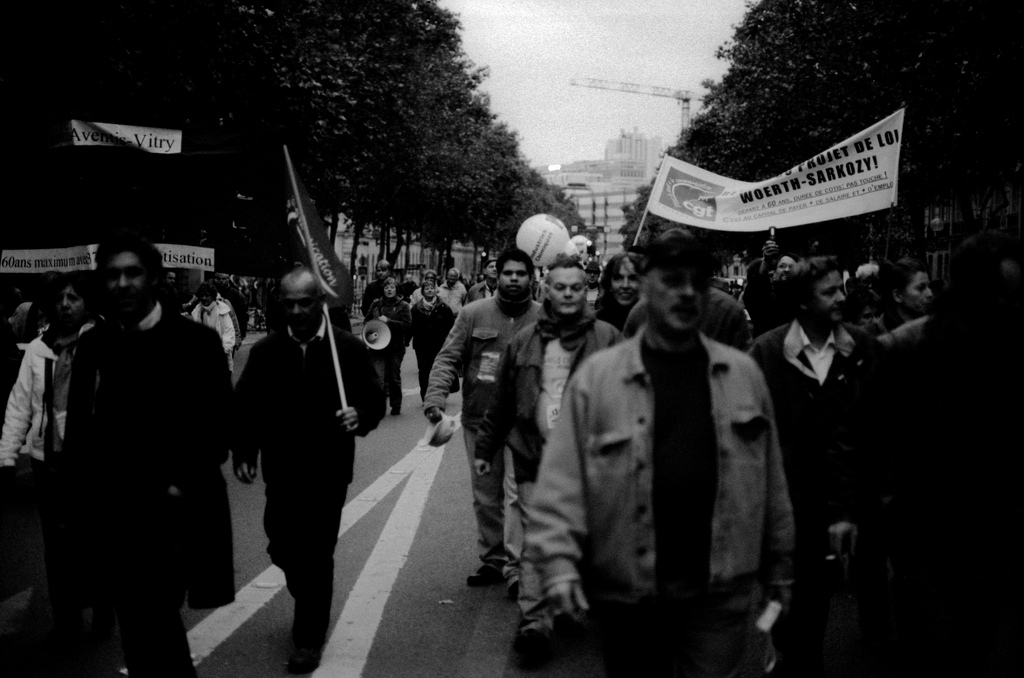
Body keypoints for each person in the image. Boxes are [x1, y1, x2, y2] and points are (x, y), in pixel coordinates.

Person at [526, 229, 794, 678]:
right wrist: (558, 567)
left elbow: (772, 484)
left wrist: (782, 566)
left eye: (697, 281)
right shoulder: (599, 379)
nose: (687, 292)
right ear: (646, 285)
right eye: (672, 280)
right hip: (629, 592)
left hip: (720, 592)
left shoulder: (744, 376)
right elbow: (561, 484)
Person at [829, 233, 1022, 677]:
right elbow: (860, 434)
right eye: (1002, 297)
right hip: (921, 527)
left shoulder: (1011, 348)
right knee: (934, 645)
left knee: (977, 642)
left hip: (990, 530)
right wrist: (852, 510)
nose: (1010, 310)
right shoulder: (903, 347)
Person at [61, 230, 235, 677]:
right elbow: (79, 434)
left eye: (133, 273)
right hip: (115, 516)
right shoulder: (95, 348)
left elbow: (217, 431)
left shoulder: (197, 344)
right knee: (140, 629)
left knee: (152, 613)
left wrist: (177, 485)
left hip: (174, 513)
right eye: (112, 275)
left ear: (155, 278)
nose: (122, 284)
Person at [233, 267, 384, 674]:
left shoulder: (347, 350)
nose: (296, 311)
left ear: (320, 302)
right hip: (281, 470)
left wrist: (362, 415)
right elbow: (244, 406)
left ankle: (308, 639)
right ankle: (306, 589)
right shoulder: (266, 352)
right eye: (289, 304)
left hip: (328, 470)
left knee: (318, 554)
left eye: (304, 303)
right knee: (281, 545)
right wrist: (244, 451)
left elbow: (375, 399)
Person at [473, 255, 620, 664]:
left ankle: (569, 600)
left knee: (583, 538)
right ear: (547, 289)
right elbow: (501, 400)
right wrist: (485, 450)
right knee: (538, 540)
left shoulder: (609, 338)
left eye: (576, 287)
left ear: (586, 290)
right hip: (535, 457)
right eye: (560, 286)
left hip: (592, 460)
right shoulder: (524, 340)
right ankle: (534, 622)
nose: (569, 293)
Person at [749, 256, 881, 678]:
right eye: (829, 292)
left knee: (819, 598)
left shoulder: (862, 348)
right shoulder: (767, 352)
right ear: (803, 303)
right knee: (794, 602)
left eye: (841, 288)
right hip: (790, 501)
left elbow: (877, 422)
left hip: (848, 498)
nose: (841, 298)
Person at [0, 272, 113, 642]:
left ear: (87, 303)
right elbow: (19, 406)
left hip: (93, 463)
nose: (66, 305)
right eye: (60, 298)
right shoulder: (37, 349)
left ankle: (102, 611)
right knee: (57, 548)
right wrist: (5, 458)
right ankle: (66, 621)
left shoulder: (105, 344)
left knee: (96, 541)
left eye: (74, 297)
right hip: (48, 462)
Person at [423, 249, 542, 597]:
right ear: (497, 276)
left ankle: (518, 566)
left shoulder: (544, 316)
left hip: (525, 424)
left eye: (521, 273)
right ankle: (493, 559)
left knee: (519, 494)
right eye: (508, 272)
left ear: (531, 277)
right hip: (480, 419)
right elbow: (448, 358)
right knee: (485, 497)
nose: (514, 278)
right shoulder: (473, 314)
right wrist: (435, 400)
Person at [365, 276, 412, 415]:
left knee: (393, 377)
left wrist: (389, 321)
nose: (389, 289)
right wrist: (374, 325)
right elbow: (367, 321)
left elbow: (408, 326)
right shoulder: (376, 304)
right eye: (386, 287)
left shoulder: (403, 305)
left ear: (396, 289)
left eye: (392, 287)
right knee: (378, 378)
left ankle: (396, 404)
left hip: (395, 347)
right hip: (378, 346)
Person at [742, 235, 801, 337]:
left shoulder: (805, 300)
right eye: (782, 266)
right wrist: (766, 260)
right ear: (774, 273)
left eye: (791, 267)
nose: (786, 269)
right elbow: (753, 295)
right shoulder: (767, 300)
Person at [410, 278, 455, 401]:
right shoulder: (415, 309)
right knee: (424, 372)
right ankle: (425, 397)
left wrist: (451, 341)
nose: (429, 290)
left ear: (436, 291)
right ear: (422, 292)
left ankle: (439, 395)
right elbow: (412, 327)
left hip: (439, 344)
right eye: (427, 288)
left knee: (438, 371)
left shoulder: (444, 307)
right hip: (421, 345)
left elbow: (451, 325)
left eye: (432, 288)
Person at [878, 257, 934, 332]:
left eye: (929, 286)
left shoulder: (934, 330)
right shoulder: (871, 337)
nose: (930, 294)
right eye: (921, 288)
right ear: (897, 296)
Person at [191, 281, 236, 372]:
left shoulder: (222, 311)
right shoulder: (198, 311)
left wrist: (218, 352)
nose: (204, 298)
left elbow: (228, 333)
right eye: (202, 295)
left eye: (207, 295)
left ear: (213, 296)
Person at [594, 251, 642, 330]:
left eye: (632, 278)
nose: (625, 285)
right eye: (618, 278)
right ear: (609, 284)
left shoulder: (654, 321)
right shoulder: (596, 323)